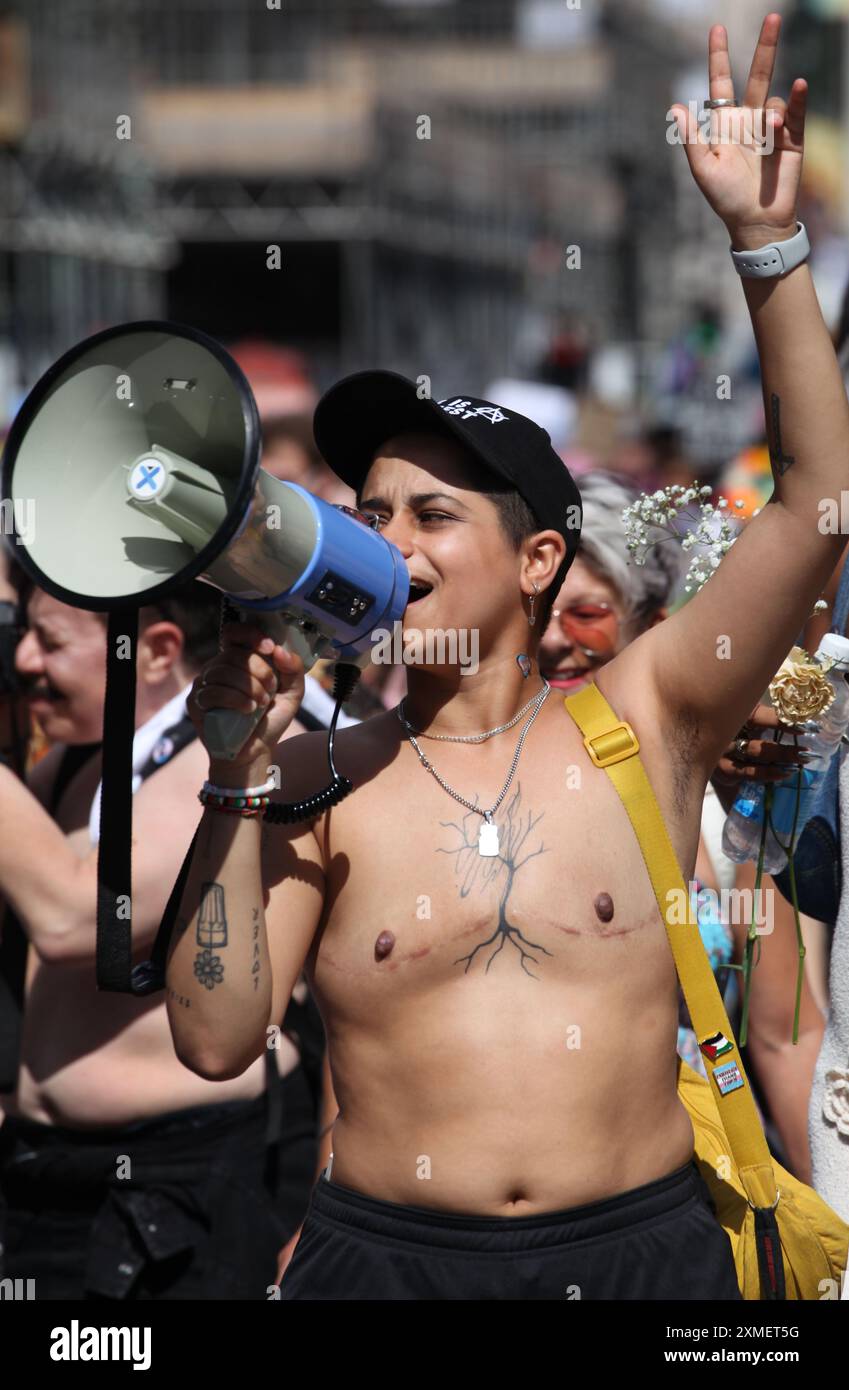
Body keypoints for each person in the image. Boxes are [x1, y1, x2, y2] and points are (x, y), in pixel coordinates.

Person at [166, 17, 846, 1299]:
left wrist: (767, 246)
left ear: (539, 564)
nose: (390, 545)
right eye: (370, 513)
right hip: (388, 1261)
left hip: (639, 1256)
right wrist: (231, 783)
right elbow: (213, 1041)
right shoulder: (314, 770)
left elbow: (821, 501)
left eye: (433, 516)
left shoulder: (650, 715)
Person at [0, 581, 326, 1299]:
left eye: (50, 641)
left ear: (155, 651)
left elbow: (73, 916)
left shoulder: (233, 755)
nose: (23, 659)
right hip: (47, 1185)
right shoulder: (76, 762)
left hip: (181, 1183)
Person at [538, 471, 825, 1181]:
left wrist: (829, 1210)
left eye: (584, 614)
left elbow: (783, 1035)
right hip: (542, 1180)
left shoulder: (727, 797)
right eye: (537, 612)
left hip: (698, 1183)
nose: (552, 640)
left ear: (652, 629)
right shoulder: (481, 784)